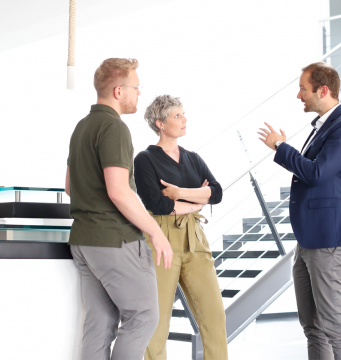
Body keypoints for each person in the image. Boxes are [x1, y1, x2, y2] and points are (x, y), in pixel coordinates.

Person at [65, 58, 173, 360]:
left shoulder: (82, 127)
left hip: (84, 241)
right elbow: (118, 191)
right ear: (118, 90)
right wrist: (155, 232)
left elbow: (70, 188)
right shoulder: (114, 127)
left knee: (100, 323)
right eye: (135, 88)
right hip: (114, 240)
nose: (139, 94)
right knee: (144, 316)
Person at [258, 62, 341, 360]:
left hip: (329, 239)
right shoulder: (323, 126)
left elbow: (317, 173)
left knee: (333, 324)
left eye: (303, 89)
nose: (299, 95)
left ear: (323, 90)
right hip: (308, 239)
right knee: (312, 325)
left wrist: (280, 146)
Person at [134, 95, 228, 360]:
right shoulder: (145, 159)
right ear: (160, 123)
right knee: (158, 322)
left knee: (214, 316)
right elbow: (157, 203)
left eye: (184, 114)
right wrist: (196, 200)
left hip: (195, 238)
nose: (184, 120)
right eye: (178, 116)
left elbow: (218, 193)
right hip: (161, 238)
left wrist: (178, 192)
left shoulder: (193, 158)